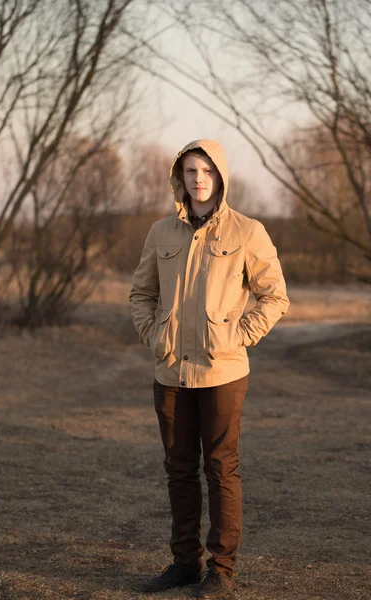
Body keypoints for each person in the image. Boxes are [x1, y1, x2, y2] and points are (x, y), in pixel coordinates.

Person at [129, 139, 289, 599]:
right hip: (170, 373)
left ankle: (221, 571)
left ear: (220, 176)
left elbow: (275, 296)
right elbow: (141, 294)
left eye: (207, 171)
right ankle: (184, 563)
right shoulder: (161, 232)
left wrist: (238, 335)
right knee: (178, 470)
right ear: (178, 178)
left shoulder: (247, 231)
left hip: (222, 374)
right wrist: (154, 335)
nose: (198, 179)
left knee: (221, 469)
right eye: (190, 171)